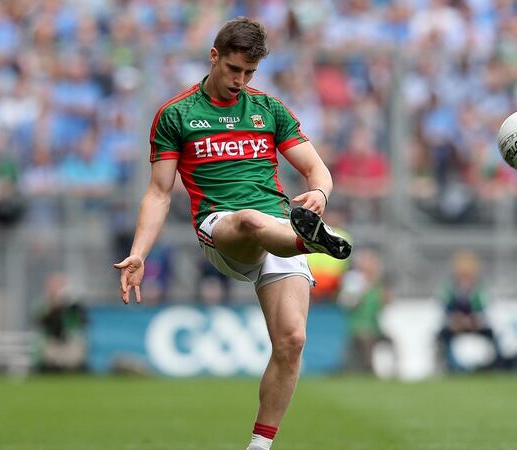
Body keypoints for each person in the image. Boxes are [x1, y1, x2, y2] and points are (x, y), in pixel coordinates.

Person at [113, 17, 351, 450]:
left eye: (250, 73)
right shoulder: (177, 114)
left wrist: (319, 192)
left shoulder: (269, 110)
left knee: (292, 340)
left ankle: (259, 446)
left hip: (278, 225)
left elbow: (317, 169)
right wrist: (139, 253)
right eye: (234, 69)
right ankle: (310, 240)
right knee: (250, 221)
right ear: (214, 56)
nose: (241, 80)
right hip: (222, 227)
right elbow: (159, 193)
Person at [436, 250, 496, 372]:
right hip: (455, 324)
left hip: (474, 324)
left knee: (491, 334)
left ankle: (491, 365)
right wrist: (457, 321)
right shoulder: (449, 288)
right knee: (444, 335)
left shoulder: (479, 289)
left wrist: (473, 321)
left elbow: (483, 310)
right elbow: (445, 309)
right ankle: (451, 365)